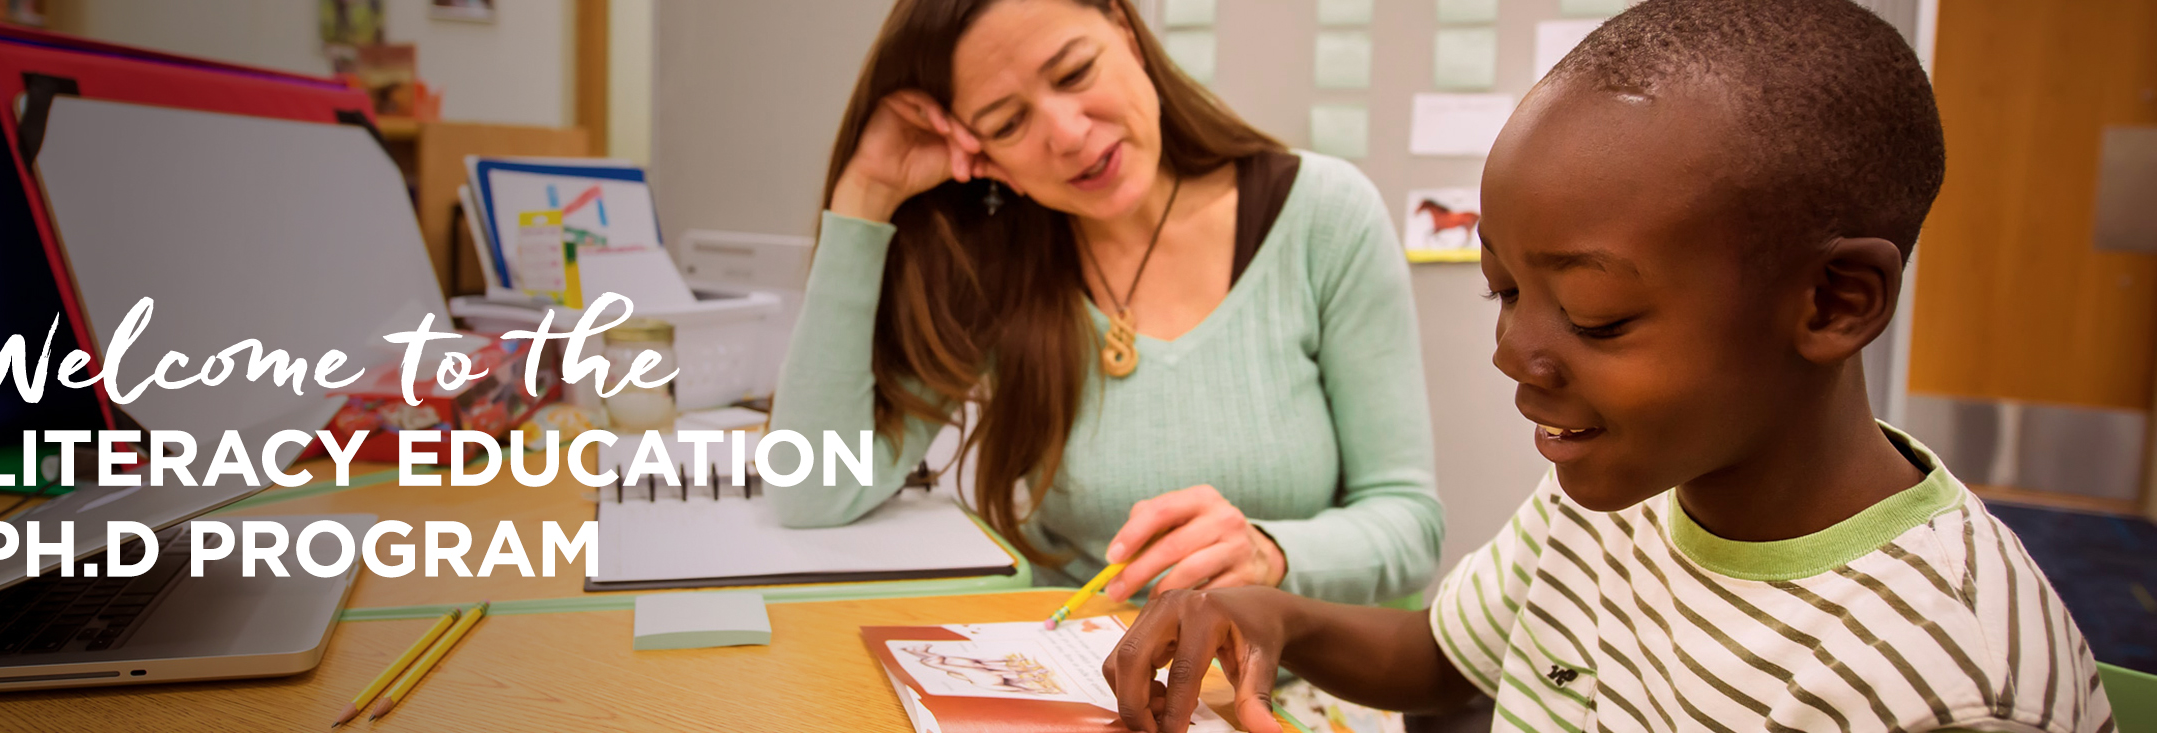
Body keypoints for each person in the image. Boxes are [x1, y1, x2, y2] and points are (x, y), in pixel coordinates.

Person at [1103, 1, 2118, 731]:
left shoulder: (1936, 683)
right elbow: (1443, 659)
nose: (1513, 354)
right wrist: (1263, 610)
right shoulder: (1619, 489)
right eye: (1501, 290)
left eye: (1596, 316)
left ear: (1834, 301)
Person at [763, 0, 1442, 605]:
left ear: (1125, 30)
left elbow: (1409, 523)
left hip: (1285, 685)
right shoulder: (995, 258)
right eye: (1007, 122)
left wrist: (1269, 552)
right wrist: (866, 194)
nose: (1065, 132)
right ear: (976, 152)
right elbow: (811, 489)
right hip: (1080, 680)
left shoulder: (1324, 214)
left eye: (1074, 72)